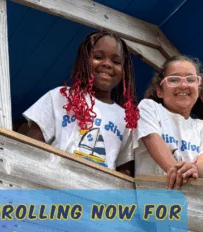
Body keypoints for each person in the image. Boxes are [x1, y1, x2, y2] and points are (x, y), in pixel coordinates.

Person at [23, 30, 139, 176]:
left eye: (116, 62)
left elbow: (124, 171)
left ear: (124, 71)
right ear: (84, 60)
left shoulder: (126, 118)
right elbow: (32, 143)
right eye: (98, 57)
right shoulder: (60, 96)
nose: (107, 64)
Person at [133, 55, 203, 189]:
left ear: (198, 88)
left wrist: (195, 169)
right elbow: (151, 139)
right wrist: (178, 173)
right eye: (173, 80)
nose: (183, 85)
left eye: (190, 79)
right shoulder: (149, 108)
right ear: (160, 91)